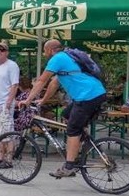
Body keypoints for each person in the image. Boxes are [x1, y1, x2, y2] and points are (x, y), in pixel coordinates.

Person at [21, 40, 107, 178]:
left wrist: (28, 100)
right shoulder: (66, 58)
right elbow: (53, 84)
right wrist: (43, 101)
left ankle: (69, 166)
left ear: (49, 50)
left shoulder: (57, 58)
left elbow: (42, 80)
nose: (44, 54)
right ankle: (80, 144)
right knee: (66, 114)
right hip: (94, 94)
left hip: (88, 96)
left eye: (44, 51)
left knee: (72, 129)